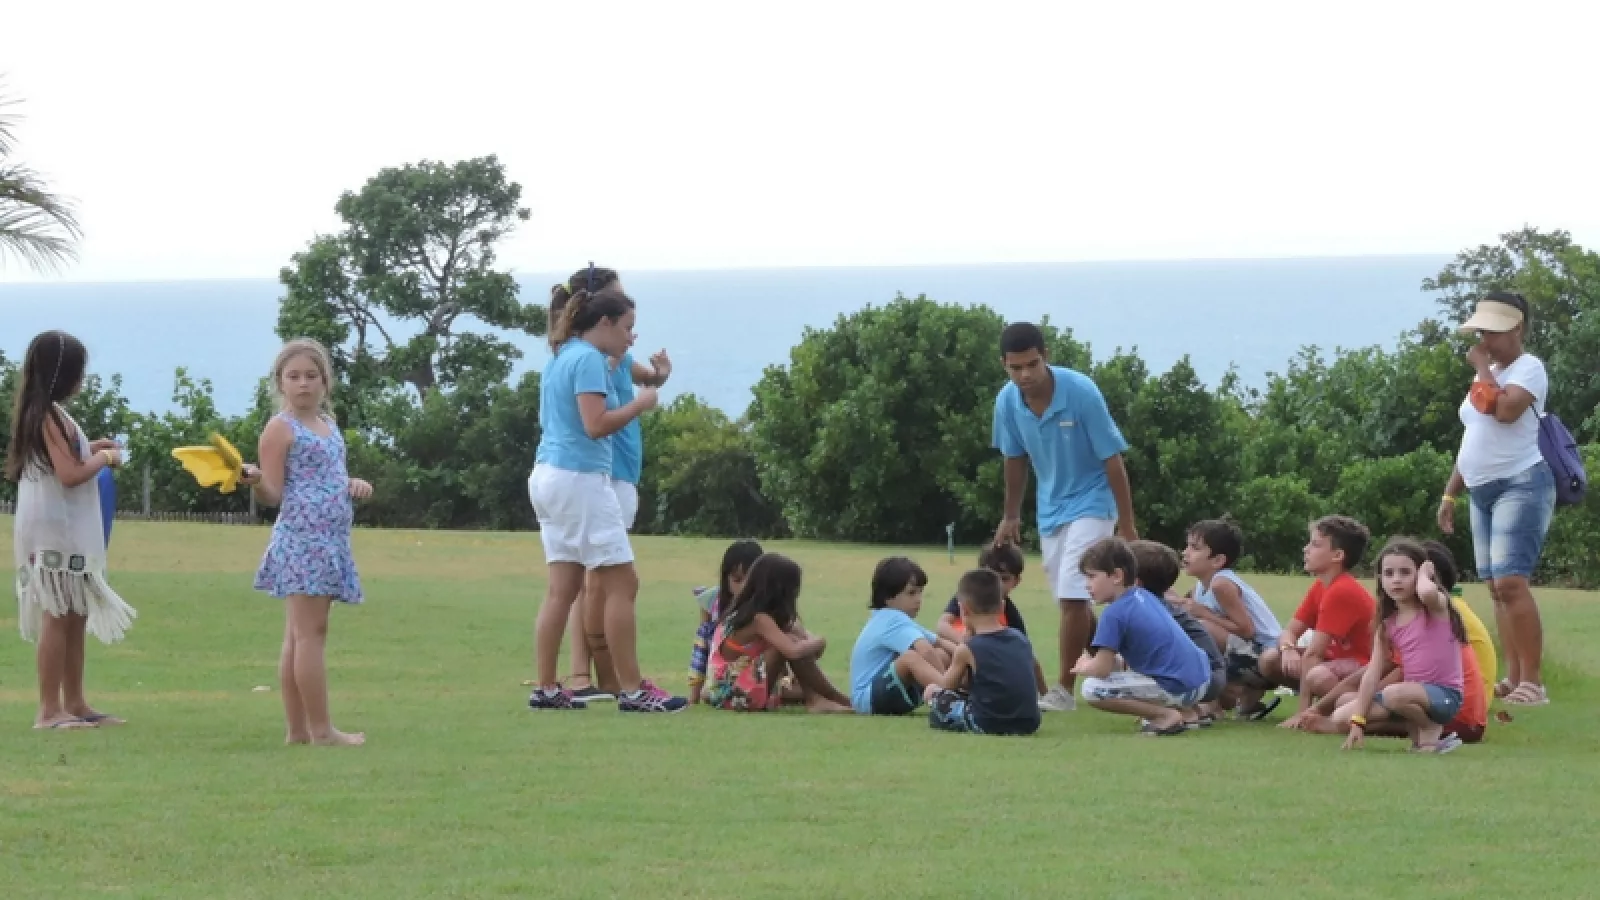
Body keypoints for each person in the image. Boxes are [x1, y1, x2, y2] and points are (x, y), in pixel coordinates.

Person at [527, 285, 684, 713]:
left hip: (548, 475)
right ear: (604, 323)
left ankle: (546, 688)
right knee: (622, 582)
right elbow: (595, 425)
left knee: (562, 588)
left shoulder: (561, 356)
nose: (631, 338)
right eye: (627, 328)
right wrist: (640, 405)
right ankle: (632, 691)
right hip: (580, 479)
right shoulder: (589, 360)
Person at [990, 322, 1137, 713]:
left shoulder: (1081, 392)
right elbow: (1014, 459)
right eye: (1016, 367)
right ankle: (1116, 663)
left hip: (1094, 501)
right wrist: (1010, 515)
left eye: (1032, 364)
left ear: (1046, 356)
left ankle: (1063, 691)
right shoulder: (1007, 402)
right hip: (1051, 507)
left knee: (1073, 595)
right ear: (1004, 364)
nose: (1025, 374)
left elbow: (1113, 459)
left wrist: (1127, 525)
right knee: (1071, 601)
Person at [241, 338, 372, 746]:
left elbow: (327, 476)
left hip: (330, 540)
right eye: (294, 376)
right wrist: (256, 481)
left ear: (325, 381)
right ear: (280, 382)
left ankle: (298, 731)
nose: (303, 384)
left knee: (298, 636)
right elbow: (273, 493)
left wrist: (351, 484)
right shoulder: (280, 428)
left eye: (311, 376)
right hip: (303, 541)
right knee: (309, 635)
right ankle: (321, 730)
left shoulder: (327, 425)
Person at [7, 330, 136, 730]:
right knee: (58, 613)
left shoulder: (52, 414)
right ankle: (49, 709)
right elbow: (69, 474)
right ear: (62, 374)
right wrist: (107, 459)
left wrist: (90, 447)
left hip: (66, 525)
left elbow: (66, 458)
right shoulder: (46, 415)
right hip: (53, 528)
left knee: (75, 613)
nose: (82, 379)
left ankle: (76, 702)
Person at [1437, 291, 1556, 707]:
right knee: (1495, 587)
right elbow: (1474, 436)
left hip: (1521, 482)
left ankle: (1534, 682)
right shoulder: (1488, 374)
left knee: (1511, 582)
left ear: (1516, 328)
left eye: (1491, 332)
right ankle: (1514, 676)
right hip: (1481, 488)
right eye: (1481, 332)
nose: (1484, 340)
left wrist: (1481, 368)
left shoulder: (1529, 368)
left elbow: (1505, 411)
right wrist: (1450, 492)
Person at [1336, 539, 1467, 754]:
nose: (1396, 580)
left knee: (1392, 694)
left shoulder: (1435, 608)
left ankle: (1428, 727)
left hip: (1445, 696)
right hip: (1408, 695)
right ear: (1381, 579)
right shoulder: (1387, 625)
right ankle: (1417, 733)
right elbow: (1372, 674)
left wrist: (1425, 573)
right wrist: (1358, 721)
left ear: (1419, 574)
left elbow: (1427, 592)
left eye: (1405, 572)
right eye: (1389, 573)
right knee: (1341, 716)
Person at [1072, 538, 1210, 736]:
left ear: (1117, 576)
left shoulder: (1114, 613)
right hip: (1201, 681)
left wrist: (1085, 666)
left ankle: (1165, 716)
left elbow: (1101, 669)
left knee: (1092, 688)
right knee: (1121, 667)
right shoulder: (1143, 596)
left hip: (1180, 687)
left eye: (1092, 577)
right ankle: (1188, 713)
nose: (1087, 585)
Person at [704, 553, 851, 713]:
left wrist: (802, 637)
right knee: (787, 645)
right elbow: (793, 652)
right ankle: (827, 699)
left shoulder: (764, 617)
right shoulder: (758, 619)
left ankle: (826, 698)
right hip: (729, 693)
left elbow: (811, 652)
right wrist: (820, 640)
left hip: (739, 687)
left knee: (794, 648)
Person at [1264, 516, 1375, 726]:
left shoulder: (1342, 590)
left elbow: (1314, 654)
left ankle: (1340, 709)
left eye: (1315, 544)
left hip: (1364, 665)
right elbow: (1289, 631)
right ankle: (1334, 706)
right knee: (1270, 659)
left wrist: (1302, 713)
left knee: (1318, 676)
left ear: (1338, 555)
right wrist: (1288, 649)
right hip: (1337, 661)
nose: (1306, 549)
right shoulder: (1321, 585)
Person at [1180, 519, 1283, 719]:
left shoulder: (1221, 584)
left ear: (1218, 560)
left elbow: (1247, 630)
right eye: (1187, 546)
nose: (1185, 552)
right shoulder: (1201, 585)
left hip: (1267, 657)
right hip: (1250, 654)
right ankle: (1239, 699)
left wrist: (1204, 613)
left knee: (1203, 629)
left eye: (1195, 548)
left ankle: (1218, 700)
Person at [925, 569, 1043, 736]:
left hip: (987, 722)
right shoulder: (1020, 639)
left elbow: (947, 686)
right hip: (1029, 721)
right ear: (1002, 606)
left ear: (963, 610)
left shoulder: (968, 648)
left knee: (933, 692)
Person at [1131, 540, 1225, 728]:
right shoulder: (1156, 606)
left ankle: (1185, 712)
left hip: (1203, 678)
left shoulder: (1150, 612)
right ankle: (1194, 708)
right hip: (1210, 675)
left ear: (1136, 582)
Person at [848, 557, 957, 716]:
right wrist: (947, 681)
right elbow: (925, 650)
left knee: (942, 654)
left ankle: (957, 692)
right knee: (910, 658)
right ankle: (953, 697)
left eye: (920, 592)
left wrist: (968, 657)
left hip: (887, 692)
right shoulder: (891, 619)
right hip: (867, 699)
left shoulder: (895, 618)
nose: (918, 600)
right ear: (888, 597)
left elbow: (938, 641)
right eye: (911, 593)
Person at [688, 539, 765, 705]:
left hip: (758, 666)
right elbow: (702, 648)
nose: (744, 587)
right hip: (725, 670)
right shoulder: (713, 601)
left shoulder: (766, 605)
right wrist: (695, 694)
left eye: (750, 581)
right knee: (704, 632)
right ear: (726, 578)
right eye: (737, 580)